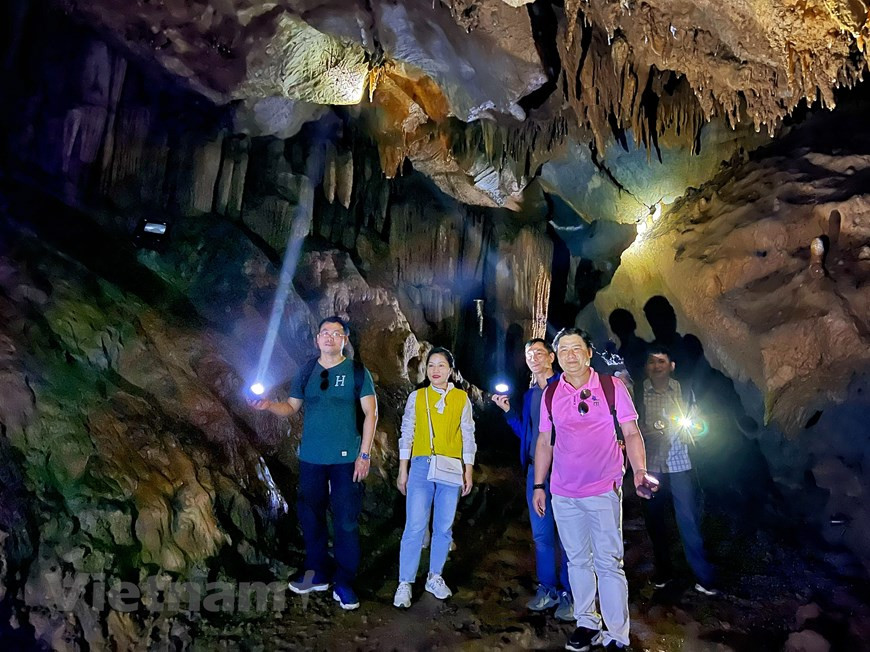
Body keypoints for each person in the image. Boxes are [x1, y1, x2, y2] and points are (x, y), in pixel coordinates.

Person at [533, 327, 652, 652]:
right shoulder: (550, 394)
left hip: (602, 488)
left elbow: (630, 432)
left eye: (577, 349)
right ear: (557, 357)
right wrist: (539, 484)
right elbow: (545, 441)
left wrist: (640, 471)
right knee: (577, 560)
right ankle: (587, 622)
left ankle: (617, 633)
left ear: (588, 353)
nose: (571, 355)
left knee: (608, 562)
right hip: (564, 491)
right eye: (565, 350)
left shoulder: (611, 388)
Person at [250, 316, 377, 611]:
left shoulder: (357, 372)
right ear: (317, 339)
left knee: (346, 519)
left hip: (347, 459)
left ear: (345, 339)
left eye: (335, 333)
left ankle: (344, 581)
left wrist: (365, 454)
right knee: (311, 516)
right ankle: (317, 571)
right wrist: (268, 405)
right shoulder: (306, 370)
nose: (329, 337)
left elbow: (371, 414)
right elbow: (291, 407)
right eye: (324, 333)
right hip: (311, 457)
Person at [491, 338, 573, 620]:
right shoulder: (529, 396)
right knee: (541, 534)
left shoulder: (566, 388)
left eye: (539, 352)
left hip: (563, 470)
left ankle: (570, 593)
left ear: (552, 356)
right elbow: (527, 435)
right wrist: (508, 412)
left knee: (567, 535)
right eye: (529, 354)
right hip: (533, 472)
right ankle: (548, 588)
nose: (534, 357)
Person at [393, 347, 476, 608]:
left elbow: (468, 434)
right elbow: (407, 432)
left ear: (450, 370)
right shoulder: (417, 397)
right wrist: (402, 469)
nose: (435, 370)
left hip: (451, 468)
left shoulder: (462, 399)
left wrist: (468, 468)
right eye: (431, 365)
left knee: (443, 527)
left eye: (441, 365)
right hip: (420, 465)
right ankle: (404, 582)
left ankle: (434, 576)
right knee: (415, 525)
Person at [640, 345, 717, 595]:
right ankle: (664, 571)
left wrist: (694, 428)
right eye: (652, 362)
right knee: (655, 522)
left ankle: (703, 576)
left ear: (671, 366)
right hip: (651, 465)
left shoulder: (684, 391)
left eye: (661, 361)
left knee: (688, 520)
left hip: (680, 462)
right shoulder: (639, 392)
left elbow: (699, 423)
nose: (656, 366)